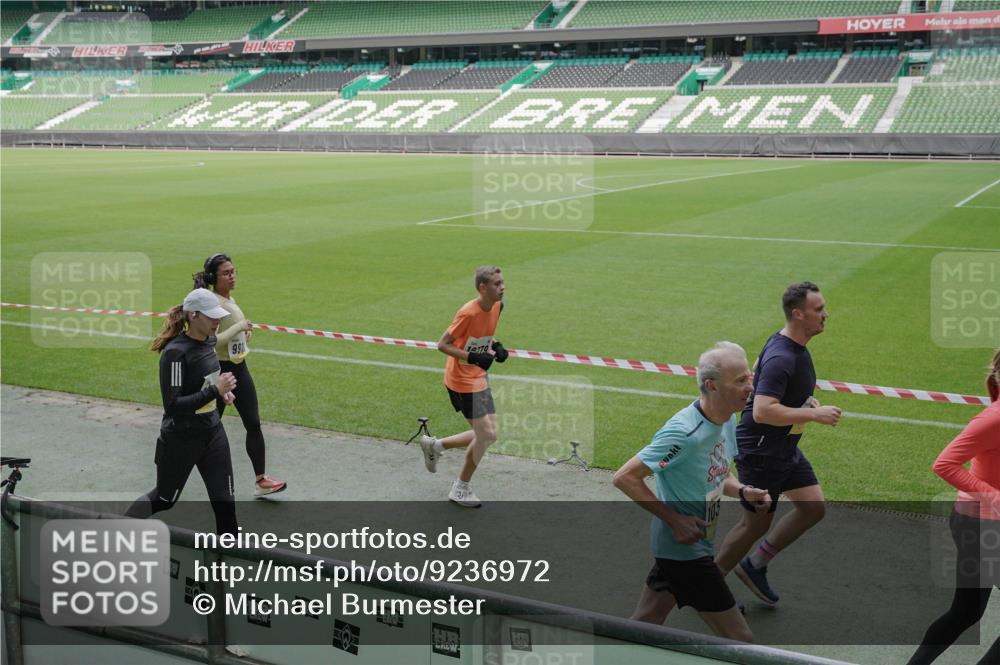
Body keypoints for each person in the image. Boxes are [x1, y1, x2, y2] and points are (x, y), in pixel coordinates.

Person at [613, 342, 772, 642]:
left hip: (691, 543)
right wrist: (675, 519)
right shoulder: (684, 433)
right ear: (712, 385)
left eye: (749, 377)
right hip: (685, 551)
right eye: (740, 380)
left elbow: (717, 471)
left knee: (647, 620)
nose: (750, 386)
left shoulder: (727, 418)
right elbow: (625, 478)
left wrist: (743, 490)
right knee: (742, 641)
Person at [715, 281, 842, 605]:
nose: (825, 315)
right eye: (818, 310)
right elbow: (761, 410)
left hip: (783, 448)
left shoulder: (787, 344)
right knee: (754, 524)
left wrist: (801, 405)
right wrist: (812, 415)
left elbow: (757, 379)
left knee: (812, 507)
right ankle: (710, 586)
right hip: (762, 452)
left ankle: (754, 565)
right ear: (798, 315)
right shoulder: (783, 357)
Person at [906, 348, 999, 665]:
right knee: (966, 612)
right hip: (981, 525)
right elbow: (944, 464)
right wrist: (994, 496)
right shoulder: (994, 418)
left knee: (966, 612)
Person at [126, 288, 239, 535]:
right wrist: (214, 391)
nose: (217, 321)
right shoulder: (176, 353)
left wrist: (221, 390)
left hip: (213, 433)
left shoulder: (209, 341)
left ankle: (225, 572)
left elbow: (207, 376)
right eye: (212, 317)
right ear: (193, 315)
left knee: (226, 506)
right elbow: (174, 406)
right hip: (181, 438)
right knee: (165, 500)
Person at [193, 253, 286, 497]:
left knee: (253, 423)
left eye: (234, 271)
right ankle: (185, 464)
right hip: (221, 373)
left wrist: (243, 337)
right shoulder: (212, 304)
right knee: (210, 427)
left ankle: (261, 479)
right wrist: (239, 327)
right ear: (214, 277)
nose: (233, 276)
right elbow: (210, 343)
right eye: (226, 273)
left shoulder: (227, 299)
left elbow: (231, 337)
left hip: (240, 370)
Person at [418, 266, 509, 508]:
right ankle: (460, 488)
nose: (502, 288)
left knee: (489, 434)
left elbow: (483, 335)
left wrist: (496, 346)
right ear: (482, 288)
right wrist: (473, 358)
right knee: (486, 435)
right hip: (461, 380)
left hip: (479, 376)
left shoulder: (499, 306)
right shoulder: (468, 312)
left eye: (502, 283)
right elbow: (443, 344)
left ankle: (436, 445)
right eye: (497, 284)